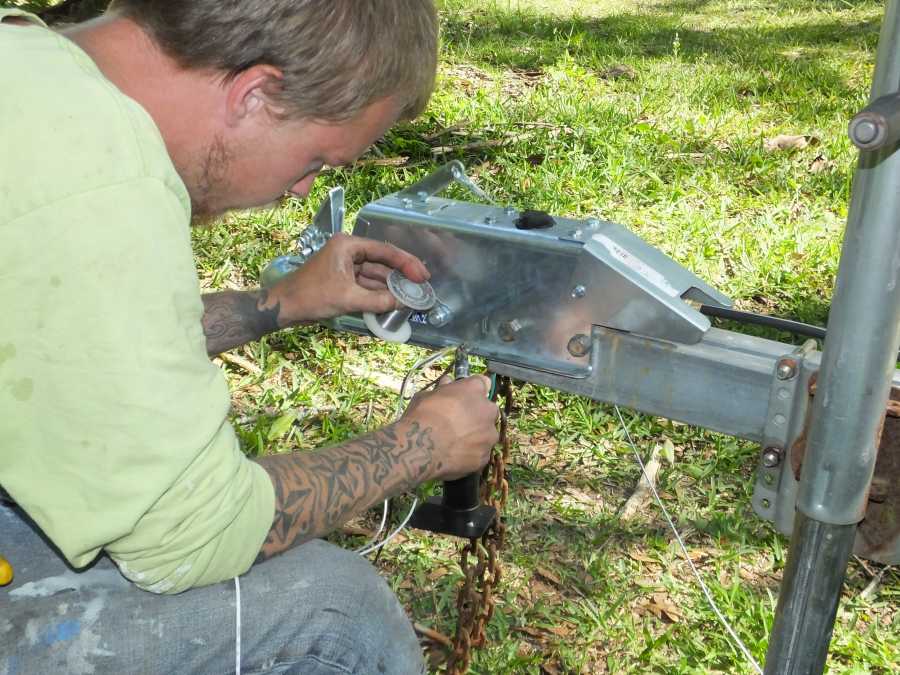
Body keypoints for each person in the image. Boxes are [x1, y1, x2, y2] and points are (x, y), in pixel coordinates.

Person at [0, 2, 500, 673]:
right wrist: (422, 444)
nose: (300, 188)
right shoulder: (100, 179)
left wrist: (283, 302)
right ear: (255, 93)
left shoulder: (28, 64)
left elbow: (66, 350)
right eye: (318, 161)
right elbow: (191, 534)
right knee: (336, 617)